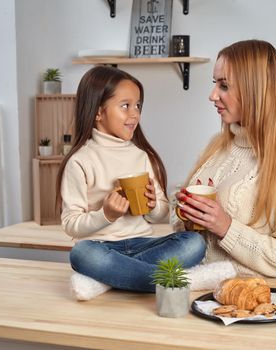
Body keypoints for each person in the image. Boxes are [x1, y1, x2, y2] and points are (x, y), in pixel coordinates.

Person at [56, 66, 206, 301]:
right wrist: (105, 215)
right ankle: (169, 280)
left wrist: (154, 204)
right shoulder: (80, 161)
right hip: (102, 246)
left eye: (138, 106)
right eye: (125, 106)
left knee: (194, 243)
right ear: (98, 111)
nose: (134, 114)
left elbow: (161, 215)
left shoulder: (140, 156)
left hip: (144, 243)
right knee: (81, 254)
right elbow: (70, 225)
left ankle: (113, 277)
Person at [176, 39, 276, 280]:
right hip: (193, 293)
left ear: (254, 91)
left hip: (239, 307)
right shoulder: (216, 147)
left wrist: (227, 228)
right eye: (214, 84)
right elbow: (191, 238)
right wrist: (186, 215)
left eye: (224, 86)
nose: (212, 95)